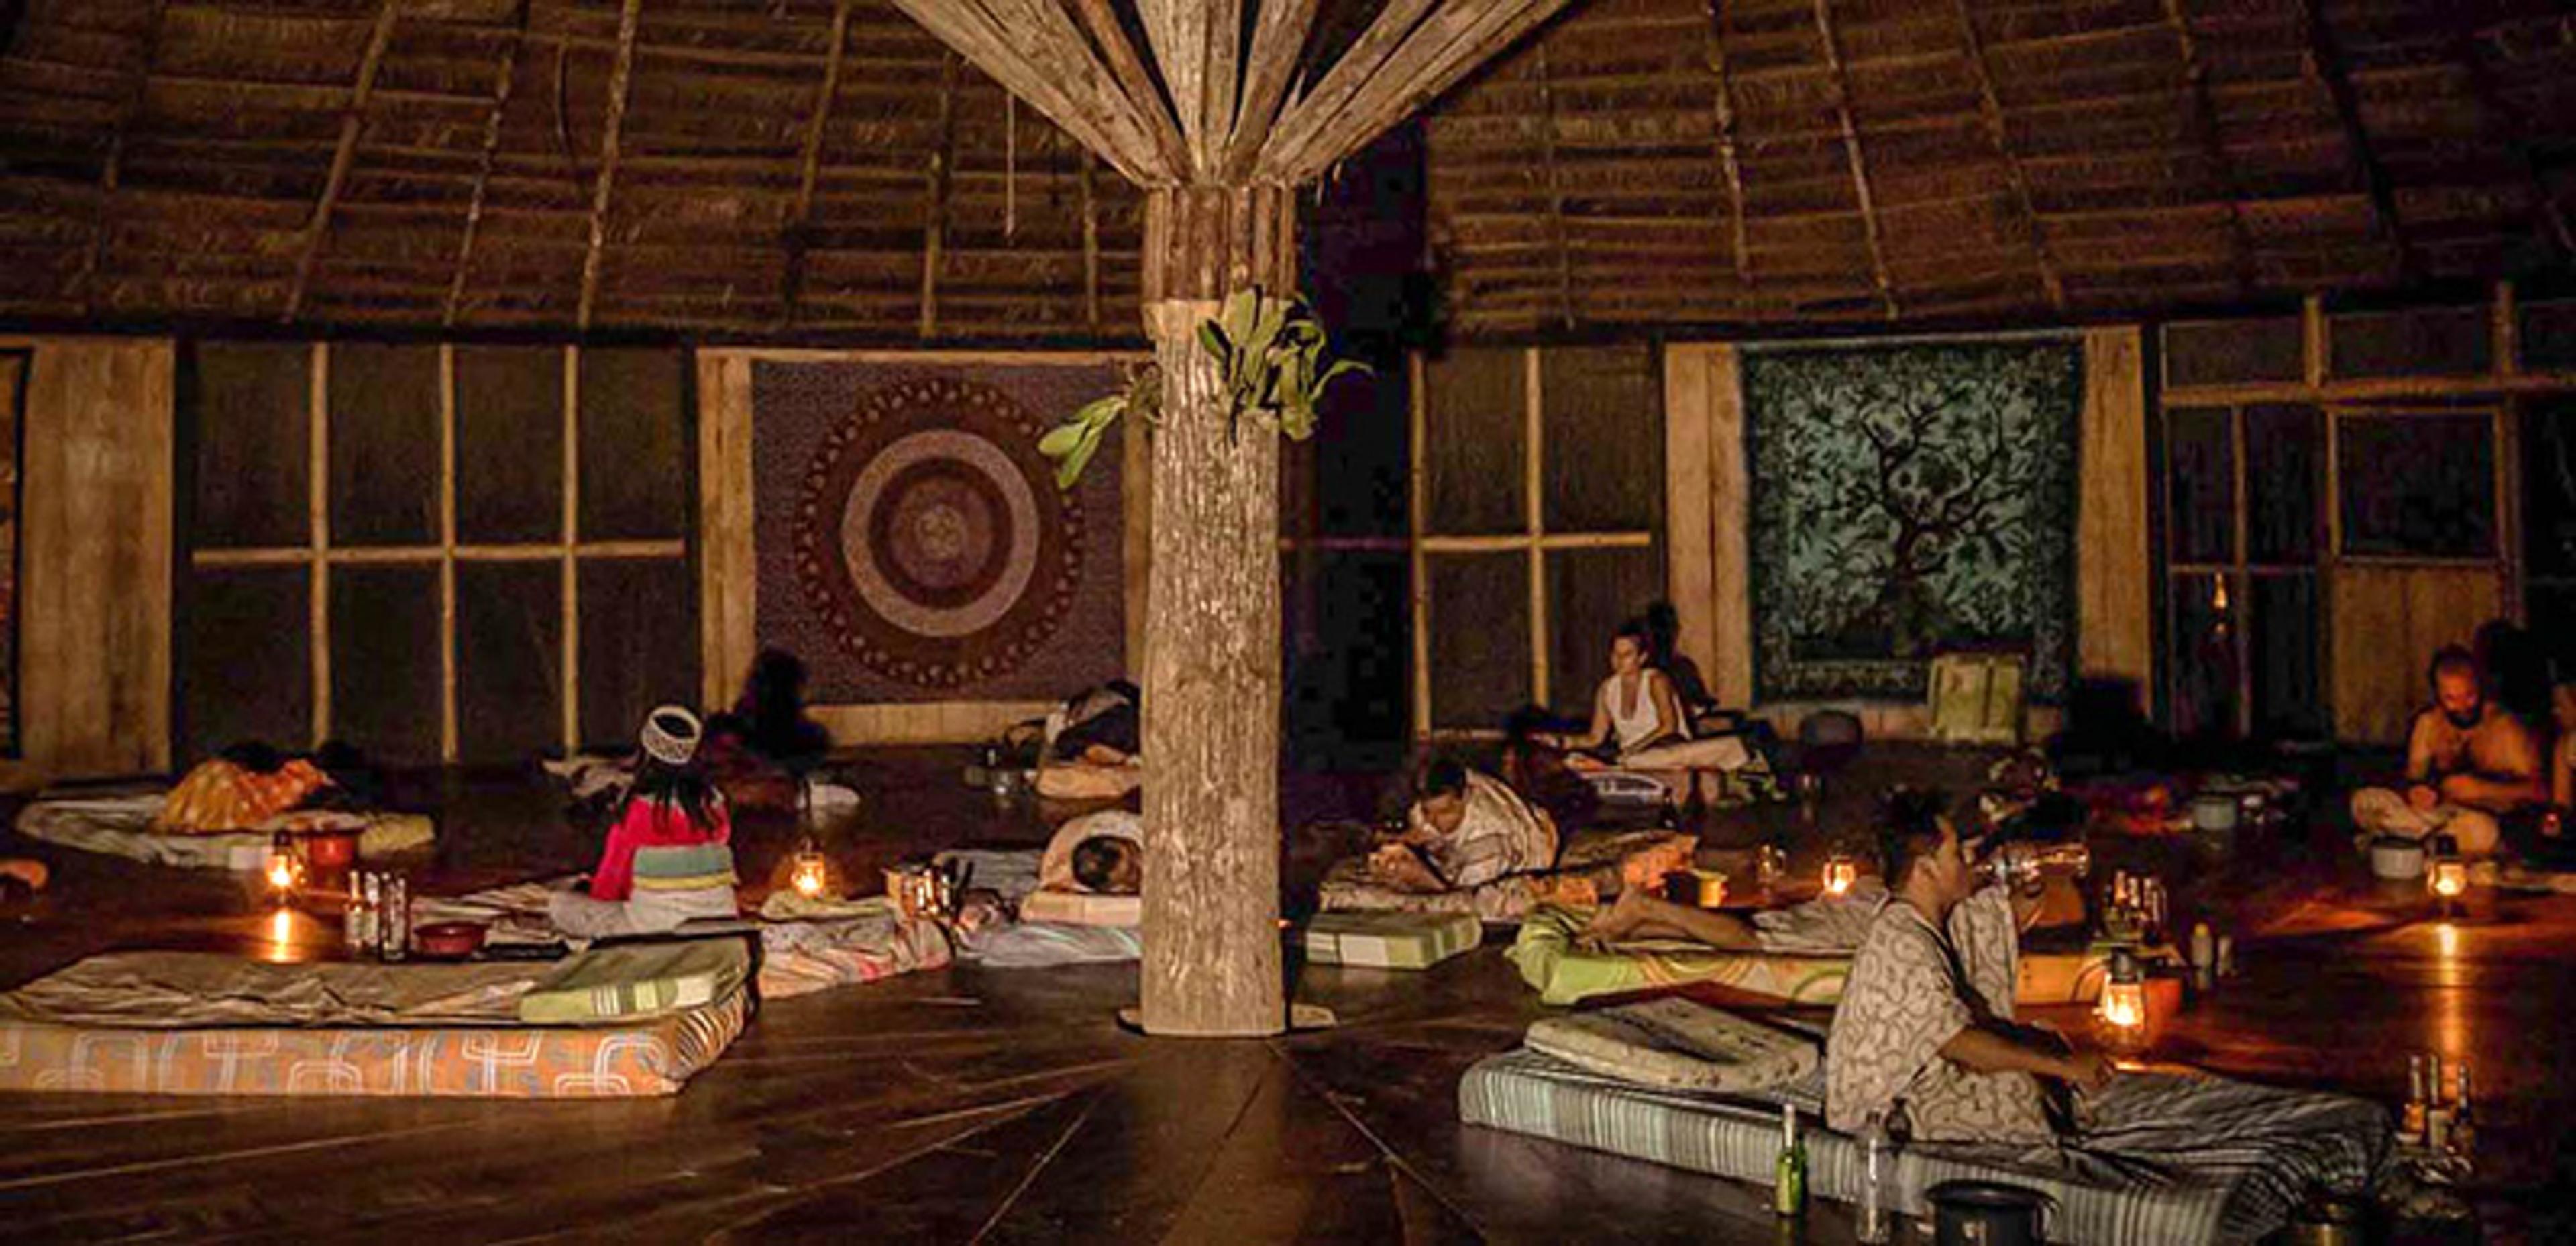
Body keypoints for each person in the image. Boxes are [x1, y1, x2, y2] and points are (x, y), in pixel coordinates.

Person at [1825, 788, 2111, 1145]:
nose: (1969, 859)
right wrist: (2064, 1067)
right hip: (1883, 1109)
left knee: (2041, 1040)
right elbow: (1961, 1045)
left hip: (1930, 1078)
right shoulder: (1900, 939)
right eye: (1956, 853)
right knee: (2015, 1083)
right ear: (1926, 870)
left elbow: (2004, 923)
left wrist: (2033, 881)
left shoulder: (1945, 915)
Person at [549, 706, 740, 939]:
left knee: (560, 904)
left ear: (645, 751)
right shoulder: (714, 804)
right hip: (721, 921)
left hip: (655, 926)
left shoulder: (639, 808)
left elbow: (610, 885)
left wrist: (586, 892)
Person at [2349, 646, 2546, 858]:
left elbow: (2540, 792)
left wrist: (2482, 789)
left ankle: (2402, 845)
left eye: (2469, 696)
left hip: (2481, 820)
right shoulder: (2429, 723)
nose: (2462, 707)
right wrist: (2417, 791)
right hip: (2436, 815)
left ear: (2480, 688)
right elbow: (2412, 779)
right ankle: (2412, 843)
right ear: (2438, 696)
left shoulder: (2505, 728)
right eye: (2451, 699)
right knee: (2365, 801)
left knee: (2481, 831)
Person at [1538, 619, 1755, 806]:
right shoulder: (1607, 689)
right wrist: (1561, 742)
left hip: (1669, 750)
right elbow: (1595, 738)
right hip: (1634, 761)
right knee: (1574, 764)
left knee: (1661, 757)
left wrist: (1630, 753)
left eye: (1627, 654)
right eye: (1615, 653)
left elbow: (1668, 727)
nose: (1619, 660)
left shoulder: (1656, 680)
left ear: (1642, 657)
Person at [1369, 759, 1559, 895]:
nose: (1433, 822)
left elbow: (1459, 899)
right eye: (1428, 812)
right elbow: (1421, 826)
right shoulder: (1430, 802)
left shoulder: (1488, 841)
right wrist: (1401, 839)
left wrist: (1422, 877)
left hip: (1540, 839)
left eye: (1446, 812)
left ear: (1466, 798)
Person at [1038, 807, 1145, 895]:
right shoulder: (1059, 878)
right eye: (1135, 872)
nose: (1143, 862)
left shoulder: (1134, 828)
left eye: (1136, 852)